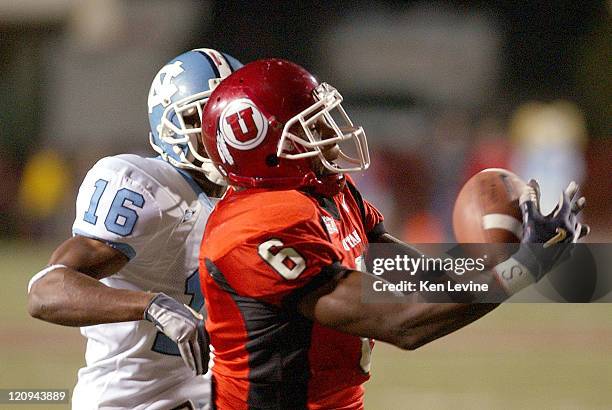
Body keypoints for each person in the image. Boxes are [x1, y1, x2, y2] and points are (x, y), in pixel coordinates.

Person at [198, 59, 589, 409]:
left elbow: (416, 276)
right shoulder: (250, 230)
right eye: (312, 125)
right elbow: (401, 321)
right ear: (264, 146)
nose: (331, 134)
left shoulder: (327, 192)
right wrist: (526, 267)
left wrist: (500, 258)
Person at [27, 48, 242, 410]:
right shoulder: (149, 187)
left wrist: (376, 279)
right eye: (200, 118)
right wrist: (152, 305)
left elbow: (366, 296)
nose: (216, 133)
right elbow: (45, 290)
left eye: (227, 119)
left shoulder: (262, 197)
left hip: (211, 396)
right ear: (168, 124)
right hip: (134, 403)